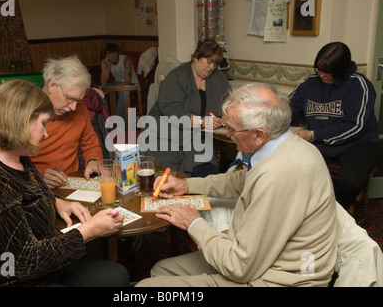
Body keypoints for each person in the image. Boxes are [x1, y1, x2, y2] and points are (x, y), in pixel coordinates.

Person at [136, 83, 337, 287]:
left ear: (258, 135)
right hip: (262, 260)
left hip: (278, 278)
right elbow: (238, 181)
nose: (229, 136)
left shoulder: (279, 174)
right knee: (162, 270)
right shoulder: (285, 146)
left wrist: (194, 223)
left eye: (232, 130)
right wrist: (186, 185)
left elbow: (241, 267)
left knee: (147, 287)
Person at [0, 80, 129, 287]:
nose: (46, 134)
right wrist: (90, 230)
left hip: (35, 262)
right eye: (44, 123)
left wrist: (55, 202)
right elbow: (25, 261)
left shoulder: (13, 150)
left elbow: (27, 188)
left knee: (116, 275)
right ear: (20, 120)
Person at [290, 42, 379, 210]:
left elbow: (355, 126)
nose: (321, 75)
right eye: (319, 69)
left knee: (350, 180)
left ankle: (331, 212)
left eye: (327, 71)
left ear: (341, 70)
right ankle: (304, 210)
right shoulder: (310, 82)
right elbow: (289, 106)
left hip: (359, 143)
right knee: (296, 169)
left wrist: (312, 135)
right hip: (322, 141)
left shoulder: (360, 85)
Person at [143, 40, 231, 177]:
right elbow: (172, 113)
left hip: (197, 139)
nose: (211, 67)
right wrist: (202, 121)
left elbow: (228, 103)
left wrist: (225, 118)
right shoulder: (176, 77)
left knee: (208, 176)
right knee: (168, 178)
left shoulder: (218, 79)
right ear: (196, 57)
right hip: (165, 136)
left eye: (215, 64)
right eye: (208, 61)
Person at [30, 56, 103, 189]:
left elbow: (91, 145)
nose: (74, 107)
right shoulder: (25, 112)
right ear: (52, 86)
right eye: (69, 98)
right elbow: (4, 166)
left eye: (79, 100)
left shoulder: (79, 108)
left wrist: (93, 161)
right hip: (33, 190)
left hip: (71, 185)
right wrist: (37, 178)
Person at [100, 43, 139, 119]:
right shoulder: (105, 62)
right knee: (100, 88)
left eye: (114, 53)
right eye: (109, 54)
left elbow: (127, 82)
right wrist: (108, 67)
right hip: (118, 83)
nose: (111, 56)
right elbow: (103, 82)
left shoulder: (126, 60)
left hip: (131, 84)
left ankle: (120, 122)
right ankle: (106, 119)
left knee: (122, 91)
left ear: (118, 53)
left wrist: (111, 89)